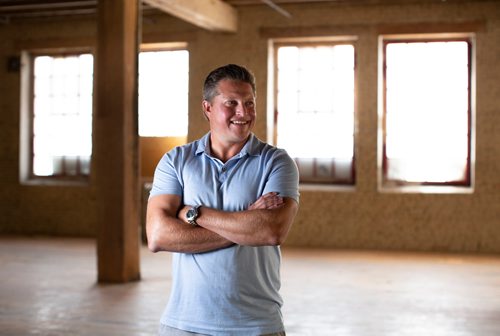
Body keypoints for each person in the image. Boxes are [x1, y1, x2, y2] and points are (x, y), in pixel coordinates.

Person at [146, 64, 300, 336]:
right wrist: (246, 223)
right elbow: (158, 237)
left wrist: (194, 214)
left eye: (249, 103)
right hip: (183, 324)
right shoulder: (176, 161)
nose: (243, 112)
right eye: (232, 103)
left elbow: (271, 231)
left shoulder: (276, 162)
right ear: (207, 108)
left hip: (257, 326)